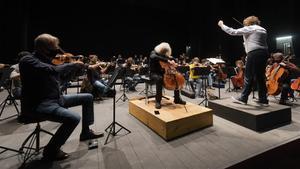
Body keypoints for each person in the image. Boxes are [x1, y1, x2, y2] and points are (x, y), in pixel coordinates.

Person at [19, 33, 104, 161]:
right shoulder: (28, 60)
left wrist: (75, 71)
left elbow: (62, 79)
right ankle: (51, 150)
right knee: (73, 118)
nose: (57, 51)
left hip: (56, 99)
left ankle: (86, 132)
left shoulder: (50, 62)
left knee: (88, 97)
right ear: (44, 48)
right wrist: (72, 65)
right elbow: (51, 70)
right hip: (39, 104)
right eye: (55, 48)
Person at [218, 16, 269, 105]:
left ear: (249, 23)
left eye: (246, 23)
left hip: (253, 53)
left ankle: (243, 98)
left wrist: (222, 25)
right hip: (263, 53)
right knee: (260, 77)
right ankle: (263, 99)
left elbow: (232, 32)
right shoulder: (263, 29)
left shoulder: (251, 28)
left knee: (248, 76)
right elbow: (254, 41)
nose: (245, 25)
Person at [149, 42, 186, 109]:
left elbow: (173, 59)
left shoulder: (164, 55)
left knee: (176, 78)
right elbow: (154, 57)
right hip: (154, 73)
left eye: (166, 52)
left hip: (165, 73)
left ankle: (177, 99)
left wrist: (173, 60)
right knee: (159, 79)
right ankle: (158, 101)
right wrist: (167, 60)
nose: (164, 53)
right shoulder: (153, 53)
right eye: (163, 51)